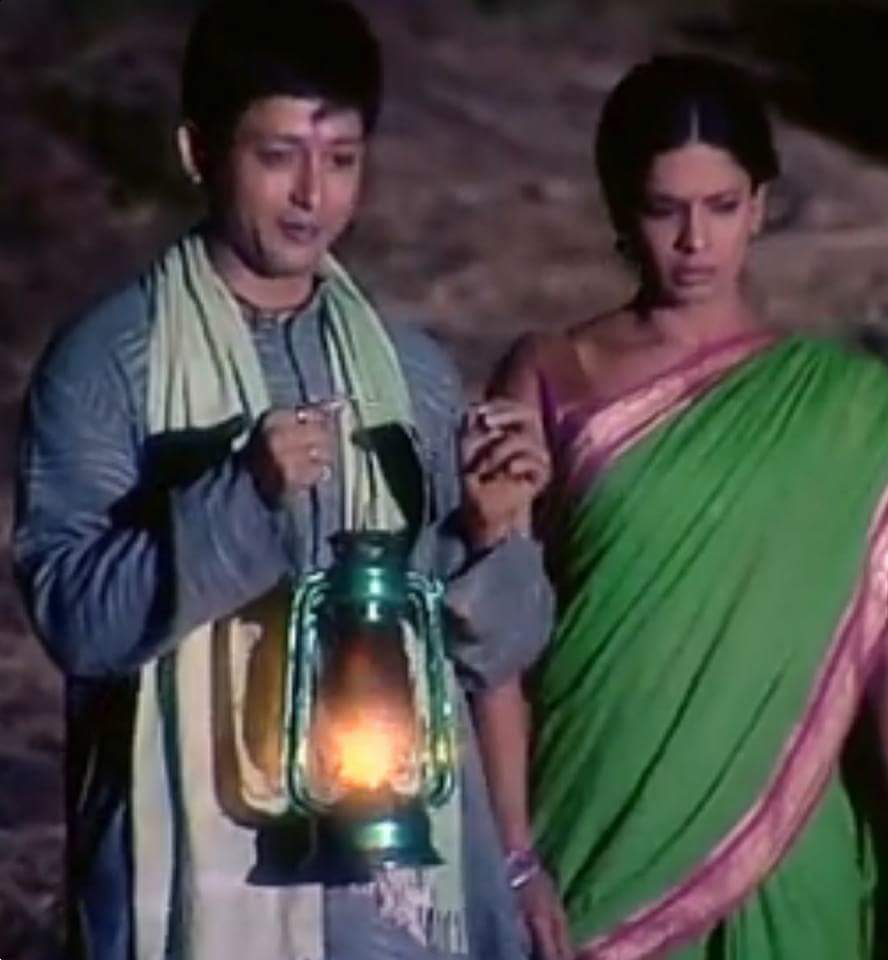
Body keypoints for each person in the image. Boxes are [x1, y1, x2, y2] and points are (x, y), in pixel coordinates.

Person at [13, 2, 553, 958]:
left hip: (391, 900)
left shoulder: (408, 372)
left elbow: (491, 652)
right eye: (277, 157)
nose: (312, 195)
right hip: (196, 880)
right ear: (197, 151)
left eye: (341, 159)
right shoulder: (109, 364)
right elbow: (76, 620)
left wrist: (490, 534)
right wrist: (238, 499)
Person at [474, 54, 888, 959]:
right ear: (621, 210)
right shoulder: (551, 375)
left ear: (761, 206)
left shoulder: (842, 410)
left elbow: (884, 651)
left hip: (795, 855)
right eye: (665, 210)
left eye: (722, 207)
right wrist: (512, 856)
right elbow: (494, 638)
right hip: (598, 837)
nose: (695, 241)